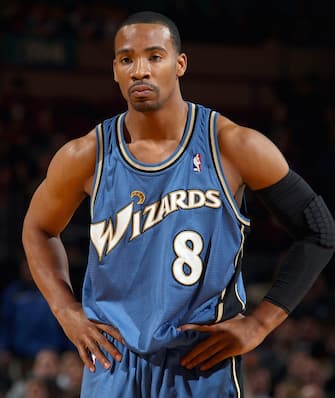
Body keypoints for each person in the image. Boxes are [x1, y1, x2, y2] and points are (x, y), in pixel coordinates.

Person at [21, 11, 335, 398]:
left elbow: (318, 229)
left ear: (179, 64)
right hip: (112, 360)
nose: (140, 70)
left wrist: (260, 324)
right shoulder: (86, 155)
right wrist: (65, 310)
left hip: (200, 359)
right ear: (115, 72)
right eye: (127, 59)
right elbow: (37, 228)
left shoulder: (233, 146)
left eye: (155, 56)